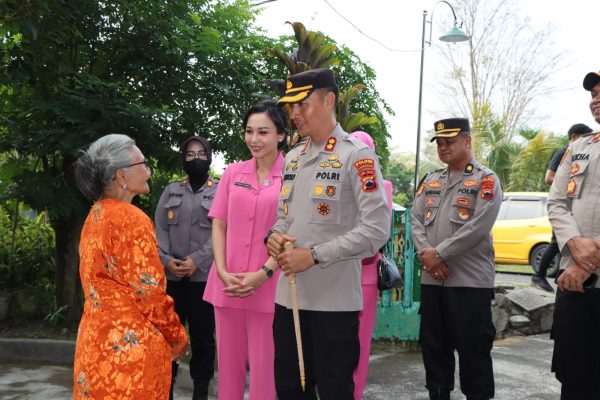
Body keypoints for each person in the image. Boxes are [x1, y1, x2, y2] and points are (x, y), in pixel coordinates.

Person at [266, 68, 390, 400]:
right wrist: (274, 238)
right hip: (288, 301)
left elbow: (376, 230)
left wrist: (315, 255)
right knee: (290, 390)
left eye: (302, 105)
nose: (294, 114)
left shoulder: (356, 156)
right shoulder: (292, 158)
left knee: (334, 391)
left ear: (328, 100)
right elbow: (283, 219)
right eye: (290, 107)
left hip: (333, 305)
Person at [72, 134, 188, 399]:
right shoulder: (131, 219)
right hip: (128, 357)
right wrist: (178, 338)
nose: (148, 171)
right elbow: (150, 295)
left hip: (94, 346)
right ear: (120, 176)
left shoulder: (95, 215)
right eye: (143, 164)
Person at [411, 118, 502, 400]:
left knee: (473, 352)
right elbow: (415, 220)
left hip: (469, 283)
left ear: (468, 141)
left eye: (449, 141)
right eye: (439, 142)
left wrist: (439, 254)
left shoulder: (486, 180)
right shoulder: (431, 179)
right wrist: (428, 257)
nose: (443, 147)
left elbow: (478, 226)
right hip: (432, 281)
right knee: (434, 349)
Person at [202, 99, 287, 400]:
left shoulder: (292, 176)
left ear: (280, 135)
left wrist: (264, 273)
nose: (254, 139)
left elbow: (291, 232)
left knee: (266, 374)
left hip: (269, 286)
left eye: (263, 132)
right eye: (249, 131)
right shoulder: (233, 173)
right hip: (227, 284)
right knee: (228, 372)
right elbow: (219, 224)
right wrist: (223, 271)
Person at [547, 70, 600, 400]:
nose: (596, 100)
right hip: (576, 286)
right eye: (593, 94)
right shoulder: (578, 147)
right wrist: (575, 244)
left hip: (583, 274)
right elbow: (555, 201)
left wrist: (590, 261)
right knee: (576, 381)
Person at [155, 136, 218, 400]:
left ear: (209, 157)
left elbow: (223, 232)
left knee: (203, 340)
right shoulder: (172, 190)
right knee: (169, 337)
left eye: (200, 153)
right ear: (183, 159)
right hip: (173, 279)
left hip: (204, 280)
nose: (195, 159)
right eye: (189, 154)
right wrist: (167, 259)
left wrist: (198, 260)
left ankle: (200, 393)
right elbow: (160, 228)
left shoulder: (220, 190)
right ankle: (165, 391)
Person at [349, 131, 393, 400]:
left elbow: (378, 234)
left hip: (364, 273)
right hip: (332, 273)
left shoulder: (383, 186)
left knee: (360, 344)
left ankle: (354, 393)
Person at [532, 123, 593, 292]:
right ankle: (539, 275)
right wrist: (574, 183)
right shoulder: (565, 152)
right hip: (562, 205)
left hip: (574, 205)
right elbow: (549, 177)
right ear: (573, 137)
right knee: (556, 242)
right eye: (583, 139)